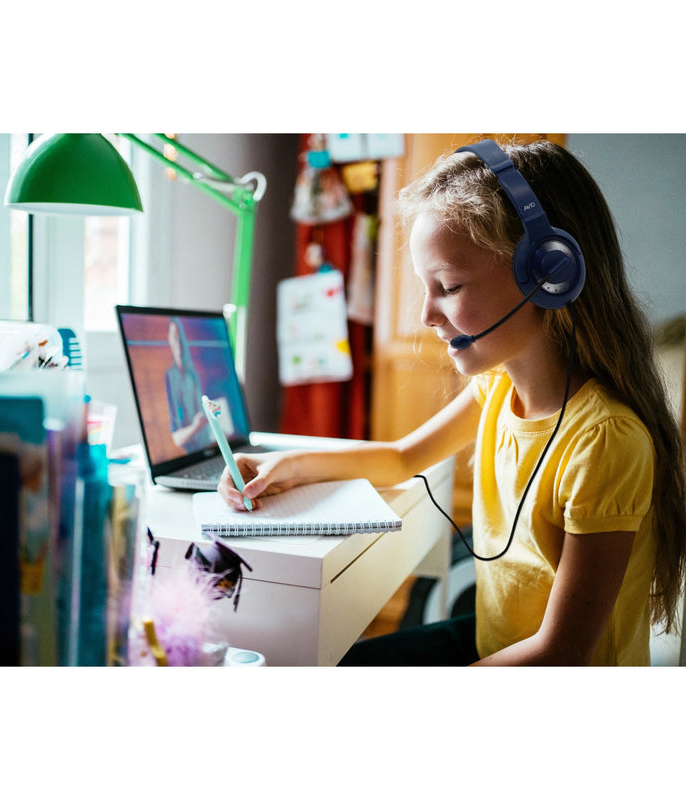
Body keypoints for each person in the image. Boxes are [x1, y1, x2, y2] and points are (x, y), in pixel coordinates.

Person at [218, 139, 686, 666]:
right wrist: (284, 466)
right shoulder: (498, 387)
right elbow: (401, 458)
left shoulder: (604, 440)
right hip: (497, 642)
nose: (426, 316)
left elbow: (563, 652)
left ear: (550, 274)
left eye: (448, 285)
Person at [165, 318, 212, 453]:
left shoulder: (193, 375)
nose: (178, 343)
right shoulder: (171, 376)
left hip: (208, 446)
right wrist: (196, 427)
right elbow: (177, 439)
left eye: (180, 337)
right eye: (174, 336)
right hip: (192, 453)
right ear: (169, 338)